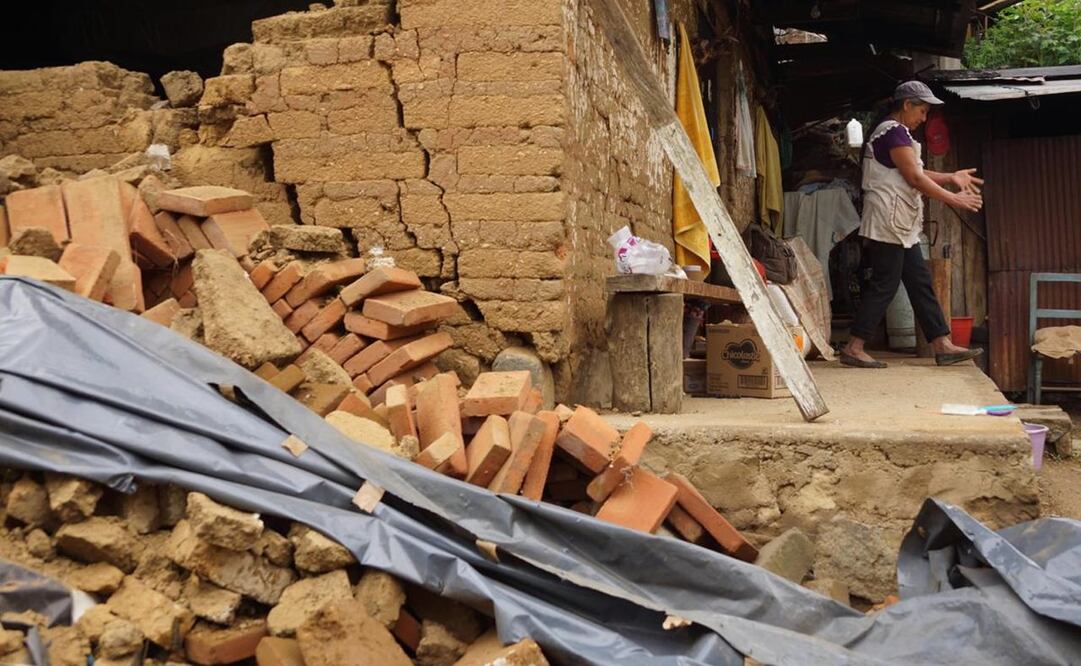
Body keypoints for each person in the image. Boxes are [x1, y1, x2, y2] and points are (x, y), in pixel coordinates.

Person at [841, 81, 984, 369]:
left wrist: (949, 177)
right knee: (886, 283)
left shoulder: (895, 133)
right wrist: (954, 200)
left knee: (920, 283)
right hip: (887, 222)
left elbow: (913, 170)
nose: (923, 118)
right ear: (907, 105)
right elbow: (915, 178)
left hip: (897, 224)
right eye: (922, 110)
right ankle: (854, 347)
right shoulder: (892, 132)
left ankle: (941, 344)